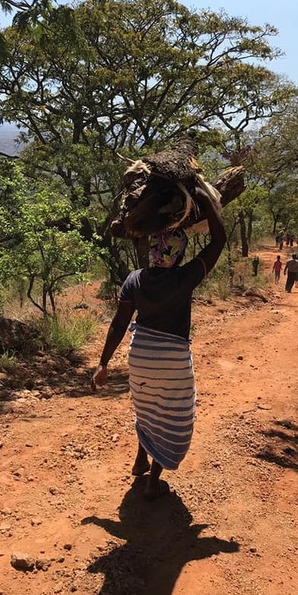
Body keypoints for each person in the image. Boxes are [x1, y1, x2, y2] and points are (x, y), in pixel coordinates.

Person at [91, 188, 226, 500]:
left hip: (139, 357)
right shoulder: (185, 276)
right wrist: (204, 198)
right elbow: (218, 241)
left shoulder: (135, 279)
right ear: (178, 254)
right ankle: (153, 479)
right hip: (173, 360)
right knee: (171, 415)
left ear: (152, 249)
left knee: (147, 408)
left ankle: (140, 458)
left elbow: (119, 323)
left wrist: (103, 363)